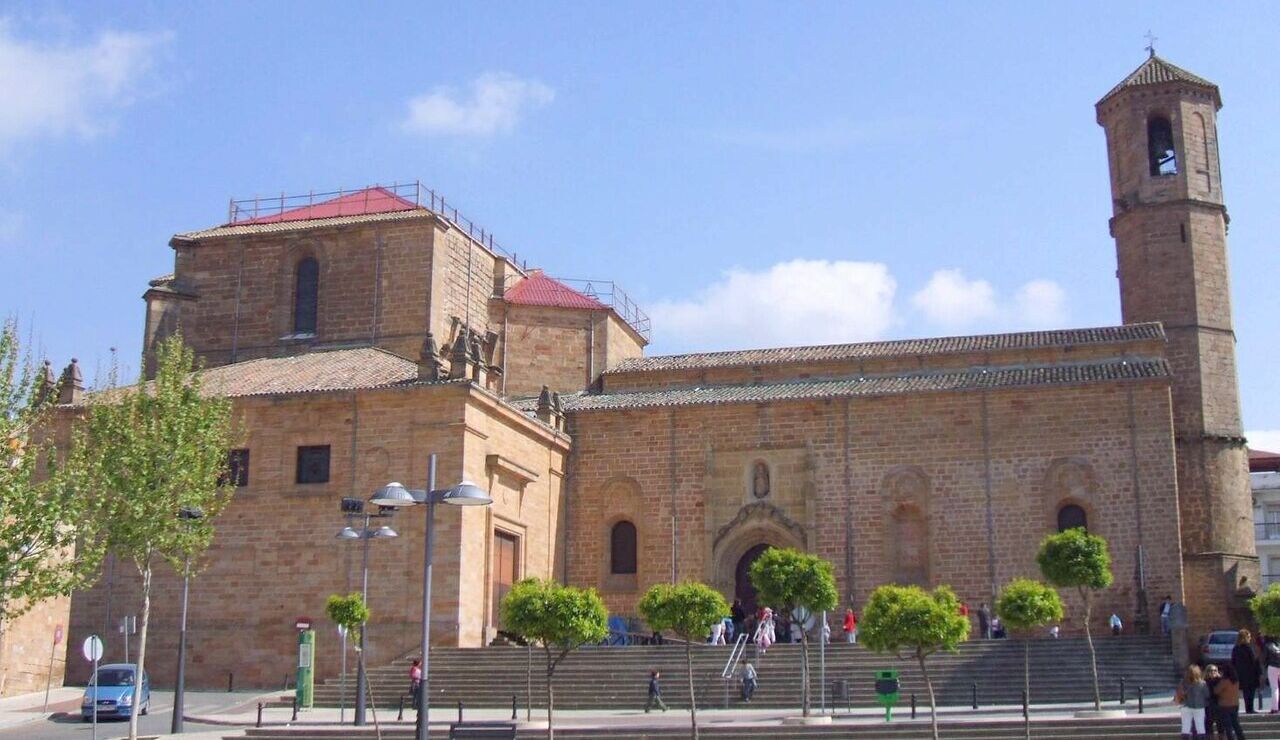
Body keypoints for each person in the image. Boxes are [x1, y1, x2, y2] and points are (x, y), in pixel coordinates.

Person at [1175, 664, 1209, 740]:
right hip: (1199, 706)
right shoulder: (1202, 683)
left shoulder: (1183, 682)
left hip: (1185, 706)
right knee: (1200, 727)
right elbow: (1207, 695)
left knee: (1185, 727)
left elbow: (1179, 692)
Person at [1232, 629, 1261, 714]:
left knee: (1245, 692)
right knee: (1251, 691)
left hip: (1241, 673)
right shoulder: (1248, 648)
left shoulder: (1236, 648)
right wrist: (1258, 672)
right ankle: (1250, 708)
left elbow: (1233, 661)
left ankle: (1248, 708)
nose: (1250, 638)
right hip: (1250, 673)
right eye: (1248, 636)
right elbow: (1253, 660)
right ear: (1245, 637)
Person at [1214, 663, 1246, 740]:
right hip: (1235, 704)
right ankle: (1241, 738)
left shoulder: (1224, 681)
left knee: (1228, 726)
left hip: (1225, 705)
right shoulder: (1236, 681)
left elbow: (1216, 691)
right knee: (1236, 724)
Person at [1204, 664, 1222, 739]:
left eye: (1215, 670)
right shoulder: (1204, 682)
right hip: (1208, 704)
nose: (1213, 672)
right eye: (1211, 671)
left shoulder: (1220, 680)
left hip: (1219, 704)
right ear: (1207, 672)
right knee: (1208, 724)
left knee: (1220, 724)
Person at [1264, 634, 1280, 714]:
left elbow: (1265, 658)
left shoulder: (1268, 645)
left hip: (1272, 666)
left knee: (1275, 688)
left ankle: (1275, 708)